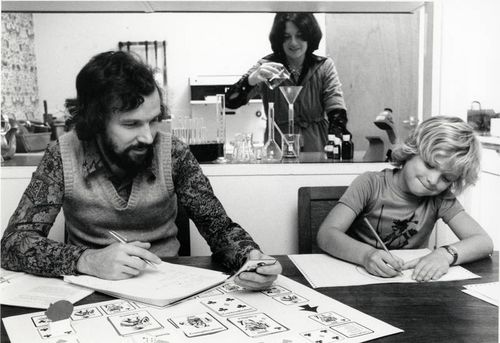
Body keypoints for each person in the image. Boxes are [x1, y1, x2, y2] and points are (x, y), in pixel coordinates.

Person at [0, 51, 281, 290]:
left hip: (169, 286)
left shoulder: (173, 152)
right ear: (96, 121)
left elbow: (219, 228)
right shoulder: (62, 155)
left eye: (154, 120)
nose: (148, 137)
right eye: (131, 124)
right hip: (91, 288)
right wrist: (86, 260)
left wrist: (250, 258)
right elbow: (13, 243)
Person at [316, 116, 493, 282]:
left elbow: (483, 242)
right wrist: (365, 255)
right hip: (353, 279)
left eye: (446, 178)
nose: (433, 180)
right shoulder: (370, 184)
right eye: (430, 165)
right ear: (412, 151)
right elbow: (326, 234)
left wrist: (444, 254)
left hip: (406, 284)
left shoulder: (441, 198)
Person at [225, 12, 348, 152]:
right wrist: (251, 79)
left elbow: (336, 111)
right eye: (286, 37)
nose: (294, 42)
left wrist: (337, 144)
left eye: (300, 36)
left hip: (317, 147)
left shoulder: (324, 66)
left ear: (310, 36)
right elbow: (230, 101)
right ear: (278, 39)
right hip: (278, 148)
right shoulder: (266, 66)